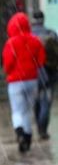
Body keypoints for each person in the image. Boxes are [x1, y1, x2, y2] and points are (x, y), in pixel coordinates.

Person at [2, 12, 45, 153]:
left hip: (15, 81)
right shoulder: (35, 41)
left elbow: (8, 64)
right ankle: (27, 137)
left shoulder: (11, 43)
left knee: (17, 110)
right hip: (32, 80)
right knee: (27, 110)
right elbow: (41, 61)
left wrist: (10, 72)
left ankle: (19, 132)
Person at [31, 10, 58, 139]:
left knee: (36, 101)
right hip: (50, 73)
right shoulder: (51, 34)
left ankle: (39, 123)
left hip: (33, 73)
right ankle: (43, 128)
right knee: (46, 102)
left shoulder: (29, 35)